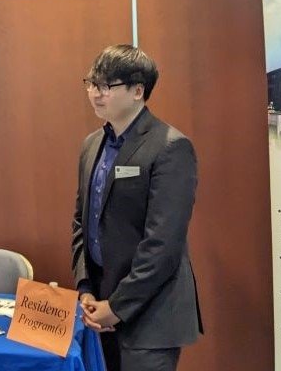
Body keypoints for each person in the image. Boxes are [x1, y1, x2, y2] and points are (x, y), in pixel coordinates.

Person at [71, 45, 203, 371]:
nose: (95, 93)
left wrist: (117, 307)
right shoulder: (92, 145)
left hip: (150, 316)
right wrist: (85, 288)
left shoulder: (171, 146)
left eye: (106, 86)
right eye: (91, 83)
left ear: (137, 91)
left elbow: (163, 244)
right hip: (98, 307)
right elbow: (81, 222)